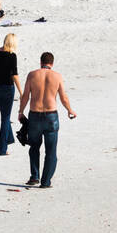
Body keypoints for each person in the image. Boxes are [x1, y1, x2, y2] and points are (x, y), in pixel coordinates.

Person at [17, 51, 76, 188]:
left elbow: (25, 95)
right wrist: (70, 110)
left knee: (34, 147)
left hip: (35, 115)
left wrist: (21, 111)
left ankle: (35, 176)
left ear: (41, 62)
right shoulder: (57, 76)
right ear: (52, 63)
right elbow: (63, 97)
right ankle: (46, 181)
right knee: (51, 150)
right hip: (51, 115)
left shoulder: (32, 75)